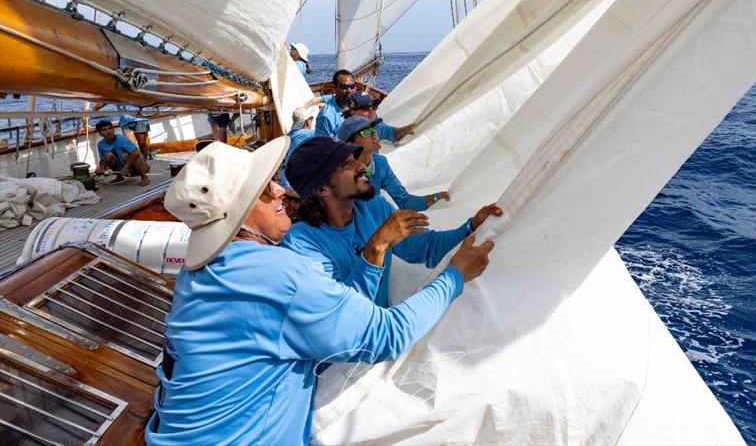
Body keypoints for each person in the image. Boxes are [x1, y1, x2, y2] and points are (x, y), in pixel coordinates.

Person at [145, 139, 494, 445]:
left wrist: (468, 228)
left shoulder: (201, 271)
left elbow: (420, 249)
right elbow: (385, 334)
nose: (281, 192)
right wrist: (454, 276)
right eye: (264, 189)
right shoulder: (285, 269)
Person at [283, 136, 501, 307]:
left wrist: (471, 227)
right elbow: (341, 315)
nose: (361, 167)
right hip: (345, 360)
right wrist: (376, 247)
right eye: (346, 165)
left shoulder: (374, 207)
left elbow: (426, 248)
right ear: (321, 189)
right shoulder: (301, 245)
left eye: (355, 159)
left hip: (382, 329)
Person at [337, 116, 448, 211]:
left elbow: (404, 200)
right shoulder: (340, 172)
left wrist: (434, 198)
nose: (374, 134)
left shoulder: (381, 164)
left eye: (374, 129)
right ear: (350, 144)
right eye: (366, 132)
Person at [94, 120, 150, 186]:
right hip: (123, 168)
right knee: (107, 155)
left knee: (126, 155)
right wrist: (101, 168)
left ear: (113, 129)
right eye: (104, 130)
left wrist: (126, 167)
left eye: (110, 128)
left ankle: (144, 177)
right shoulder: (100, 144)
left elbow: (136, 152)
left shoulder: (121, 139)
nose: (108, 131)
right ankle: (119, 177)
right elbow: (103, 159)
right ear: (100, 134)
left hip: (142, 166)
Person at [307, 69, 357, 138]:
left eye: (352, 86)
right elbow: (323, 145)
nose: (349, 90)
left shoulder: (361, 104)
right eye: (344, 87)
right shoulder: (326, 117)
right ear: (334, 88)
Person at [346, 91, 415, 142]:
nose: (372, 110)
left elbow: (392, 132)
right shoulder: (347, 131)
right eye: (366, 108)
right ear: (353, 113)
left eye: (374, 106)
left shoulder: (376, 125)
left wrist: (404, 129)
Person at [279, 106, 317, 187]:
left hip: (285, 178)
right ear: (307, 122)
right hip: (296, 181)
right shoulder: (309, 134)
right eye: (311, 119)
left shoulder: (290, 135)